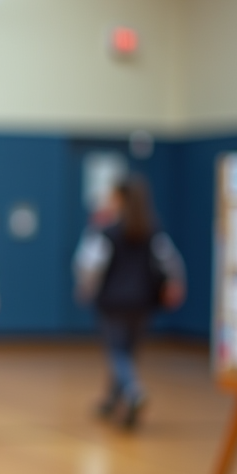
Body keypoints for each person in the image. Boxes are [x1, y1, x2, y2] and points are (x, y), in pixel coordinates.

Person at [73, 173, 185, 428]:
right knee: (127, 352)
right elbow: (171, 262)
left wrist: (85, 287)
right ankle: (112, 400)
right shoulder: (153, 232)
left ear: (119, 199)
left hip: (113, 302)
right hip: (142, 302)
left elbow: (90, 265)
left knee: (117, 352)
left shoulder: (106, 231)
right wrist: (175, 284)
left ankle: (133, 391)